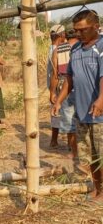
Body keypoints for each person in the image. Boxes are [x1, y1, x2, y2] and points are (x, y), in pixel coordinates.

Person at [54, 9, 103, 200]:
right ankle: (96, 188)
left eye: (83, 30)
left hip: (100, 113)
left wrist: (100, 99)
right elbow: (69, 79)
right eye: (76, 31)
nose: (79, 34)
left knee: (101, 154)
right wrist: (59, 100)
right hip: (83, 112)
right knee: (90, 155)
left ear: (96, 27)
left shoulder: (101, 47)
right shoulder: (75, 50)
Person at [49, 28, 79, 159]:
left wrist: (52, 93)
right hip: (83, 87)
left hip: (64, 88)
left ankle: (72, 149)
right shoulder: (83, 47)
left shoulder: (58, 50)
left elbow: (55, 74)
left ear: (65, 35)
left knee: (69, 120)